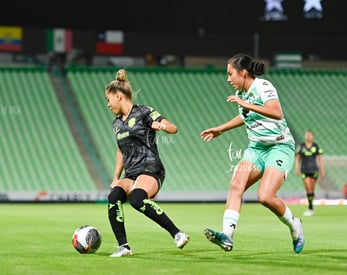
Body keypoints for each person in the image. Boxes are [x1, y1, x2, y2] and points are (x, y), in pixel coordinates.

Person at [200, 53, 304, 253]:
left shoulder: (263, 87)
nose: (228, 79)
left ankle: (294, 225)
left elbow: (276, 112)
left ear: (243, 72)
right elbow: (245, 116)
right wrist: (221, 128)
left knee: (265, 196)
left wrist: (246, 104)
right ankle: (227, 236)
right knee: (236, 184)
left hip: (279, 147)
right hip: (256, 148)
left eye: (231, 74)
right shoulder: (243, 95)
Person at [104, 69, 190, 257]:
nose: (108, 104)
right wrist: (116, 177)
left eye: (108, 99)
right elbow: (120, 150)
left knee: (137, 199)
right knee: (113, 197)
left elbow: (173, 127)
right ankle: (124, 247)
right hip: (131, 173)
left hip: (151, 169)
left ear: (118, 96)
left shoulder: (144, 112)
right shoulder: (116, 123)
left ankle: (178, 233)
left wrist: (162, 126)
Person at [295, 130, 325, 216]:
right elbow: (298, 158)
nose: (308, 136)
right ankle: (310, 208)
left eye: (310, 135)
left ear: (312, 136)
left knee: (312, 189)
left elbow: (320, 159)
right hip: (304, 170)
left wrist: (322, 171)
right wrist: (297, 168)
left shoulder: (316, 146)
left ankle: (311, 207)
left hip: (314, 170)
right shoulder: (301, 146)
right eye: (307, 135)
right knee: (308, 187)